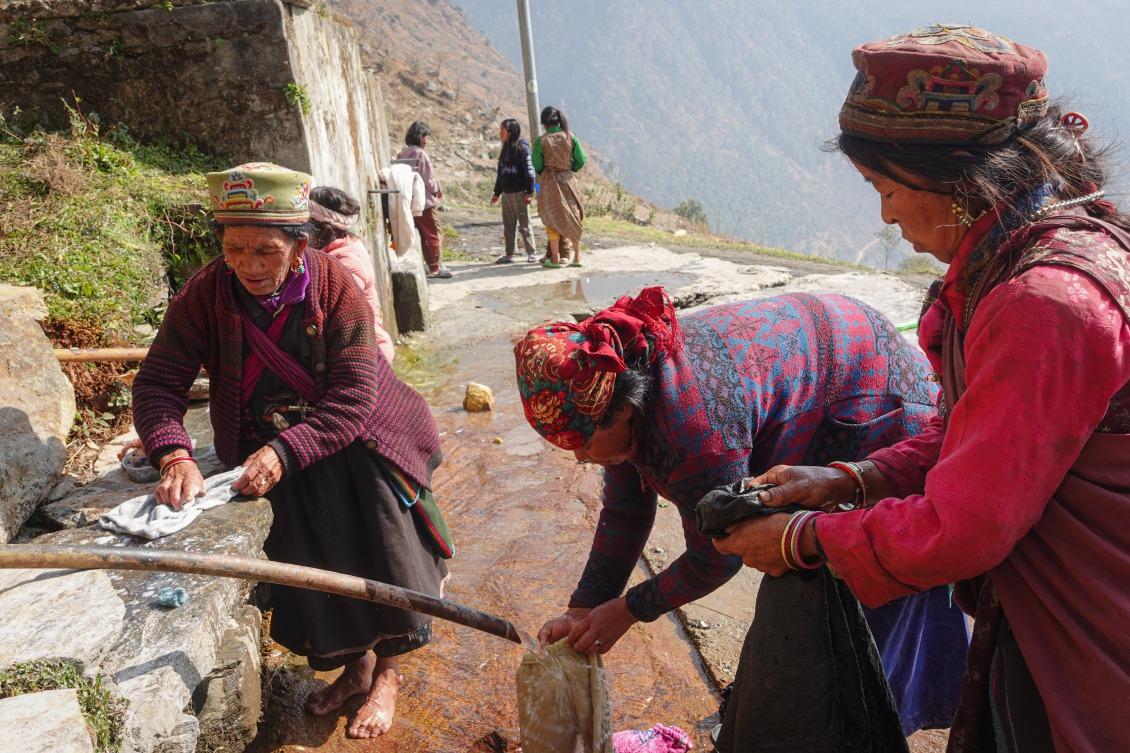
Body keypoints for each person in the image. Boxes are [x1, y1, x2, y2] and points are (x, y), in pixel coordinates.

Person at [714, 25, 1130, 753]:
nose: (885, 215)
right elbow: (979, 435)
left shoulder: (1044, 301)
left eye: (887, 187)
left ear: (956, 180)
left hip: (1094, 630)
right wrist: (850, 477)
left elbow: (963, 525)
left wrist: (800, 539)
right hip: (1046, 611)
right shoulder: (1017, 259)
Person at [516, 286, 969, 735]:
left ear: (620, 413)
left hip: (873, 397)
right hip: (825, 362)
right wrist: (584, 608)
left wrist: (631, 609)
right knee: (798, 567)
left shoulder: (694, 426)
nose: (580, 459)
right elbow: (625, 512)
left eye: (585, 445)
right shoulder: (618, 381)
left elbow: (718, 554)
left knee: (852, 598)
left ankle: (857, 728)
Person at [132, 163, 453, 740]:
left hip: (358, 436)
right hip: (267, 447)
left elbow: (356, 395)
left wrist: (286, 450)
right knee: (310, 562)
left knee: (382, 551)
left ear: (299, 245)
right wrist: (173, 453)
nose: (249, 265)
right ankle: (355, 668)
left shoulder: (336, 289)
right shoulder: (205, 294)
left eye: (265, 251)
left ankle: (388, 676)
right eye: (236, 249)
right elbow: (159, 381)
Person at [308, 185, 396, 363]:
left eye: (304, 227)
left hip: (368, 355)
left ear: (324, 231)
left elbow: (339, 317)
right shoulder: (339, 248)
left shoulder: (346, 262)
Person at [532, 106, 585, 268]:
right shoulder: (571, 136)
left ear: (544, 123)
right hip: (568, 180)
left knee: (552, 217)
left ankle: (555, 259)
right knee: (573, 216)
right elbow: (581, 159)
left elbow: (536, 163)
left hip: (549, 183)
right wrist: (570, 169)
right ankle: (577, 257)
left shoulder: (541, 141)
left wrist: (544, 173)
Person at [398, 121, 450, 279]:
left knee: (421, 234)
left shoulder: (404, 153)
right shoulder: (421, 154)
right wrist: (438, 190)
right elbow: (428, 179)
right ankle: (435, 267)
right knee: (434, 234)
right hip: (425, 201)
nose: (427, 140)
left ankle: (429, 265)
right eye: (426, 136)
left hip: (410, 200)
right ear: (421, 137)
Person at [491, 118, 537, 264]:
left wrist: (529, 192)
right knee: (508, 225)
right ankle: (509, 254)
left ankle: (531, 252)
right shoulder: (505, 148)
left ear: (510, 132)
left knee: (524, 224)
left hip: (520, 193)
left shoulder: (522, 148)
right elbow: (501, 173)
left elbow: (530, 172)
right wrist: (497, 193)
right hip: (506, 193)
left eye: (502, 130)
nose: (500, 132)